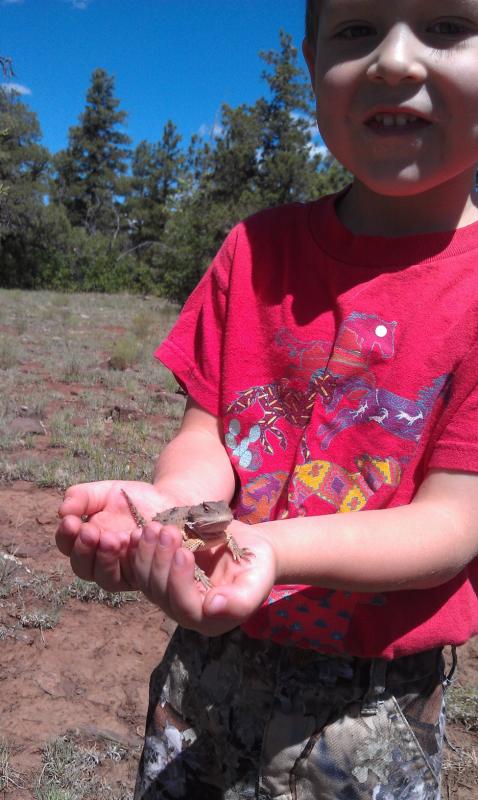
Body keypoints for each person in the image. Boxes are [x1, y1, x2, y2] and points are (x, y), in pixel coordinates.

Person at [56, 1, 478, 797]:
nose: (394, 59)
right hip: (205, 667)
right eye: (356, 30)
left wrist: (274, 551)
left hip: (371, 708)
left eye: (448, 25)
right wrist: (176, 509)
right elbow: (206, 431)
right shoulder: (255, 251)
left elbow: (454, 522)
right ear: (312, 66)